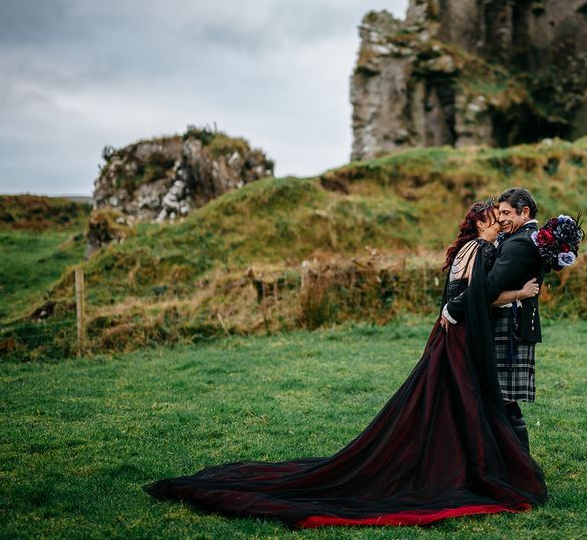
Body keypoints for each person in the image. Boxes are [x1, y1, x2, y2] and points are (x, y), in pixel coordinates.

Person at [142, 199, 548, 529]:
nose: (499, 224)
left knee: (456, 401)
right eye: (494, 220)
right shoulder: (479, 249)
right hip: (457, 334)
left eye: (502, 219)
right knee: (460, 399)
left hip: (452, 333)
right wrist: (514, 294)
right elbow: (473, 295)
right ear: (480, 225)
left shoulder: (473, 248)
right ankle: (473, 466)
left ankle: (482, 460)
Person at [443, 187, 545, 452]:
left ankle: (519, 464)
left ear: (525, 212)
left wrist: (454, 308)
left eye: (506, 213)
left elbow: (489, 285)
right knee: (500, 399)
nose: (501, 219)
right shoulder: (524, 237)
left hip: (509, 328)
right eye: (499, 213)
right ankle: (508, 462)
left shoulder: (522, 241)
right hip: (507, 324)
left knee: (504, 400)